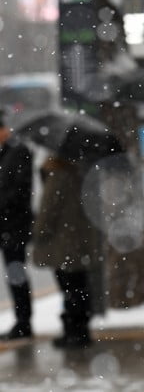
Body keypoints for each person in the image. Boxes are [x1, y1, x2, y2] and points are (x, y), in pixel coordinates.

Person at [32, 156, 99, 348]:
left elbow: (48, 210)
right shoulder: (81, 173)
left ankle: (73, 332)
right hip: (79, 240)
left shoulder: (58, 176)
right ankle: (81, 330)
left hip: (63, 242)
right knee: (79, 287)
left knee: (69, 288)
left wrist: (38, 231)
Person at [0, 110, 34, 341]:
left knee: (16, 273)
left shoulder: (19, 152)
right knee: (13, 273)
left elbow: (19, 192)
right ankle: (22, 320)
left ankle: (24, 321)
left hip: (14, 226)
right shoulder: (5, 153)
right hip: (6, 225)